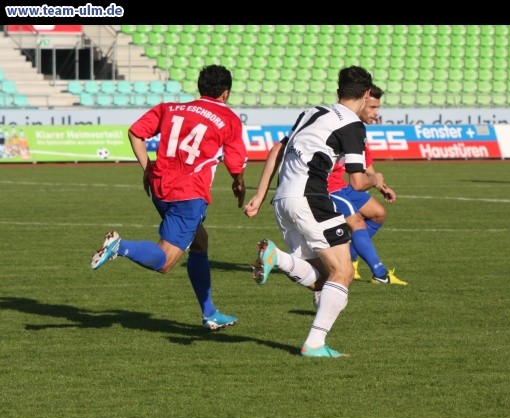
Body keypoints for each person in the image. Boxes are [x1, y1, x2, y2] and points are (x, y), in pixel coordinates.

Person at [90, 65, 247, 330]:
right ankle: (120, 246)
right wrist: (239, 183)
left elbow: (135, 133)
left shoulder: (170, 108)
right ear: (225, 93)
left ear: (200, 88)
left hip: (160, 188)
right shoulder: (228, 118)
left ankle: (210, 313)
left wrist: (147, 168)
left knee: (200, 242)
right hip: (188, 194)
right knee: (165, 262)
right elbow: (236, 162)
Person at [244, 66, 382, 358]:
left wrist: (258, 195)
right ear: (367, 93)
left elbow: (277, 150)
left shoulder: (312, 111)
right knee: (343, 271)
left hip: (282, 200)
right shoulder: (354, 125)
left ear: (338, 92)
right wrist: (376, 179)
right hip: (310, 197)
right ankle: (314, 344)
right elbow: (357, 182)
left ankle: (278, 258)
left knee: (322, 278)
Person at [328, 84, 407, 285]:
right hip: (328, 187)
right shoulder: (344, 125)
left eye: (377, 108)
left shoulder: (357, 129)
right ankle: (380, 274)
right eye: (372, 107)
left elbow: (366, 164)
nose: (376, 113)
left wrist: (382, 186)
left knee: (378, 213)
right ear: (361, 101)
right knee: (358, 222)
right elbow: (358, 179)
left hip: (342, 185)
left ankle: (352, 262)